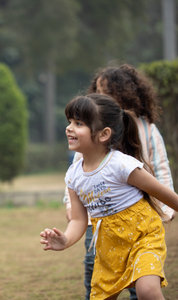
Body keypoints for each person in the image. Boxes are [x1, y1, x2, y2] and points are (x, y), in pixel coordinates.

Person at [43, 94, 178, 299]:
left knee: (147, 290)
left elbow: (161, 192)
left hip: (143, 237)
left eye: (78, 123)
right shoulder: (73, 175)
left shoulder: (121, 165)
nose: (69, 128)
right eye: (69, 121)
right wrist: (66, 240)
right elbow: (80, 219)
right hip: (108, 248)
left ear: (104, 134)